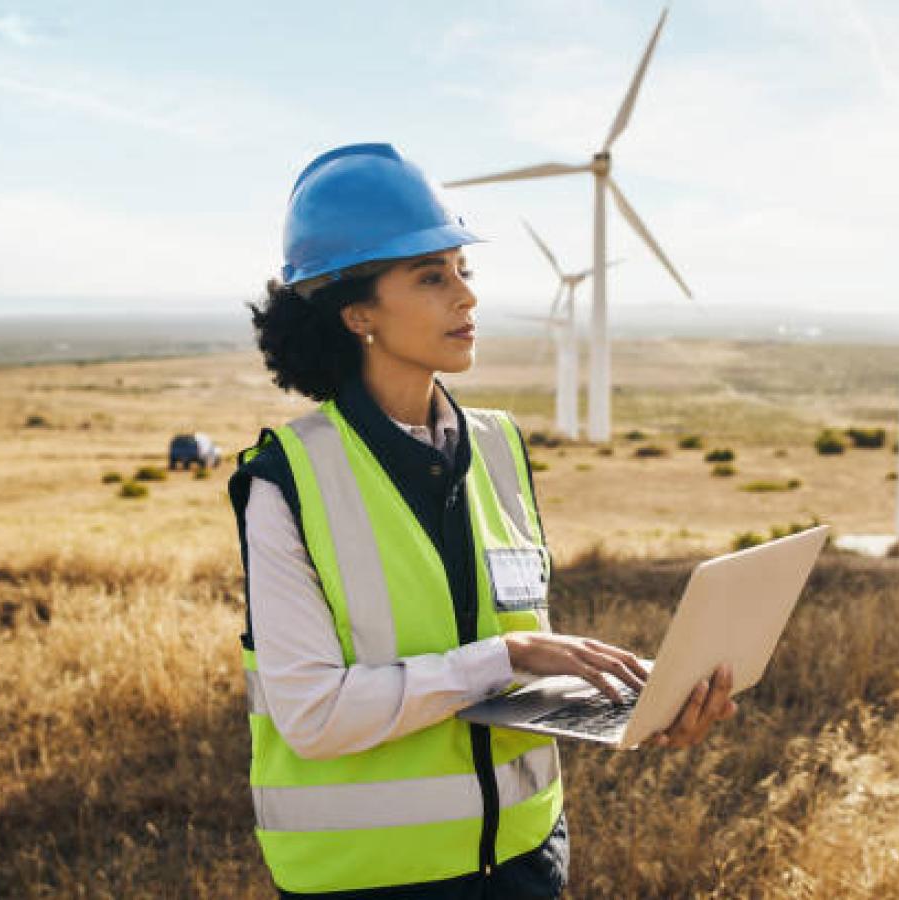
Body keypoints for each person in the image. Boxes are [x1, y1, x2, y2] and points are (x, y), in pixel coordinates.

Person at [227, 142, 736, 899]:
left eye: (465, 271)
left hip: (526, 863)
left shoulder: (500, 448)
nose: (466, 297)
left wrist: (636, 707)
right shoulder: (286, 482)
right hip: (370, 885)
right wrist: (505, 655)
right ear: (356, 310)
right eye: (432, 276)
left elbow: (513, 667)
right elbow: (313, 715)